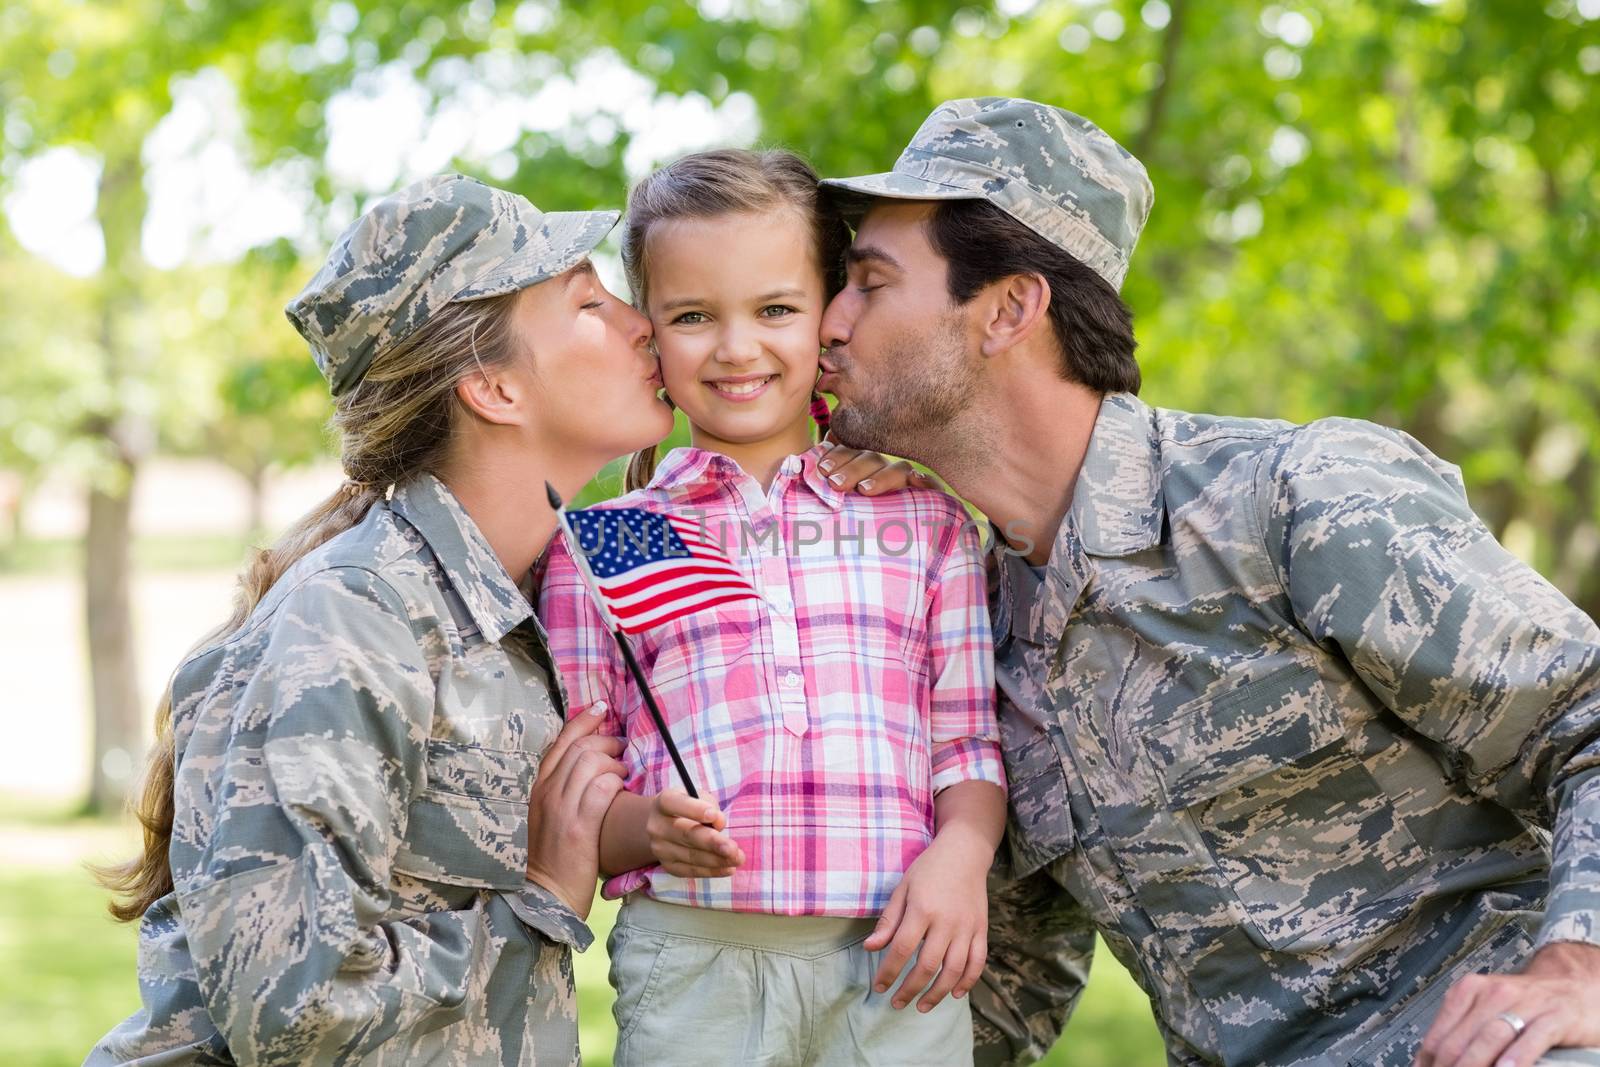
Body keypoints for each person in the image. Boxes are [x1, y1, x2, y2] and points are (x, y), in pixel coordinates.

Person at [814, 98, 1600, 1067]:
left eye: (866, 283)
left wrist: (1580, 967)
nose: (826, 322)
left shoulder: (1297, 499)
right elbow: (1004, 980)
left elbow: (1586, 718)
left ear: (1010, 309)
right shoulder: (970, 631)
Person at [87, 173, 674, 1066]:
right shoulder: (355, 617)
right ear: (494, 389)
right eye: (589, 300)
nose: (646, 323)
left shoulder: (554, 590)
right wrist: (547, 893)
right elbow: (297, 1007)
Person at [536, 148, 1007, 1067]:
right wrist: (648, 826)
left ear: (829, 314)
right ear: (652, 336)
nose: (737, 346)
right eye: (693, 316)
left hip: (897, 950)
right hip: (695, 960)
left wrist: (963, 858)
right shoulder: (610, 542)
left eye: (776, 309)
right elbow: (583, 794)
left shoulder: (925, 519)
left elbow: (967, 742)